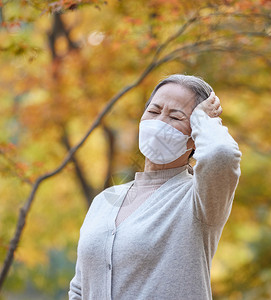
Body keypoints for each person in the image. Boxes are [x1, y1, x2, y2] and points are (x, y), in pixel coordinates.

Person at [68, 74, 242, 300]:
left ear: (194, 137)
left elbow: (222, 155)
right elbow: (80, 289)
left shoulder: (198, 201)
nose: (160, 121)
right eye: (153, 111)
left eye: (175, 117)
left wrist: (204, 120)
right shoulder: (105, 200)